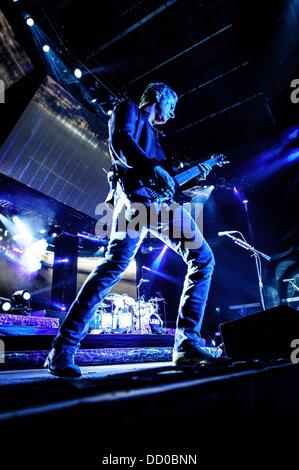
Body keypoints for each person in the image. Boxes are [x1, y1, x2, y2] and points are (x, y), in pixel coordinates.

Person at [45, 82, 218, 377]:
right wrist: (153, 169)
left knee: (203, 259)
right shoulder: (128, 110)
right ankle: (62, 349)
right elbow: (122, 142)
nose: (173, 114)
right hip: (133, 202)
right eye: (172, 106)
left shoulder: (157, 141)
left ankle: (187, 345)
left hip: (160, 205)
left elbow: (167, 183)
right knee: (113, 267)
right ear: (158, 96)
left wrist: (194, 177)